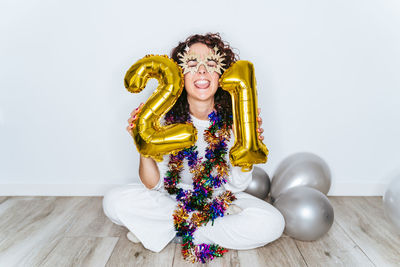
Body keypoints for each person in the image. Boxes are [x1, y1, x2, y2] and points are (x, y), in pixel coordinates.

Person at [103, 33, 285, 263]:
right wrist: (143, 145)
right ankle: (197, 228)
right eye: (191, 63)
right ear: (179, 74)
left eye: (211, 63)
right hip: (171, 199)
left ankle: (172, 231)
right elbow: (153, 184)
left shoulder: (236, 120)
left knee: (272, 222)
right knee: (113, 201)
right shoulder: (162, 117)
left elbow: (237, 185)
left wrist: (247, 150)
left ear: (222, 75)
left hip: (219, 201)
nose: (201, 70)